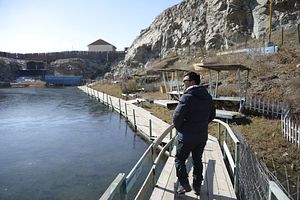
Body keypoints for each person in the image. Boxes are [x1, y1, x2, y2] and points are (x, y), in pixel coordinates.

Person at [173, 71, 216, 195]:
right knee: (198, 160)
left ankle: (184, 184)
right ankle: (197, 186)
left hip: (186, 137)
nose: (183, 85)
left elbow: (176, 119)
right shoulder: (207, 96)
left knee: (179, 159)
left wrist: (183, 128)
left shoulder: (186, 97)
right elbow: (212, 115)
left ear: (192, 82)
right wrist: (200, 125)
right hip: (201, 136)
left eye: (184, 81)